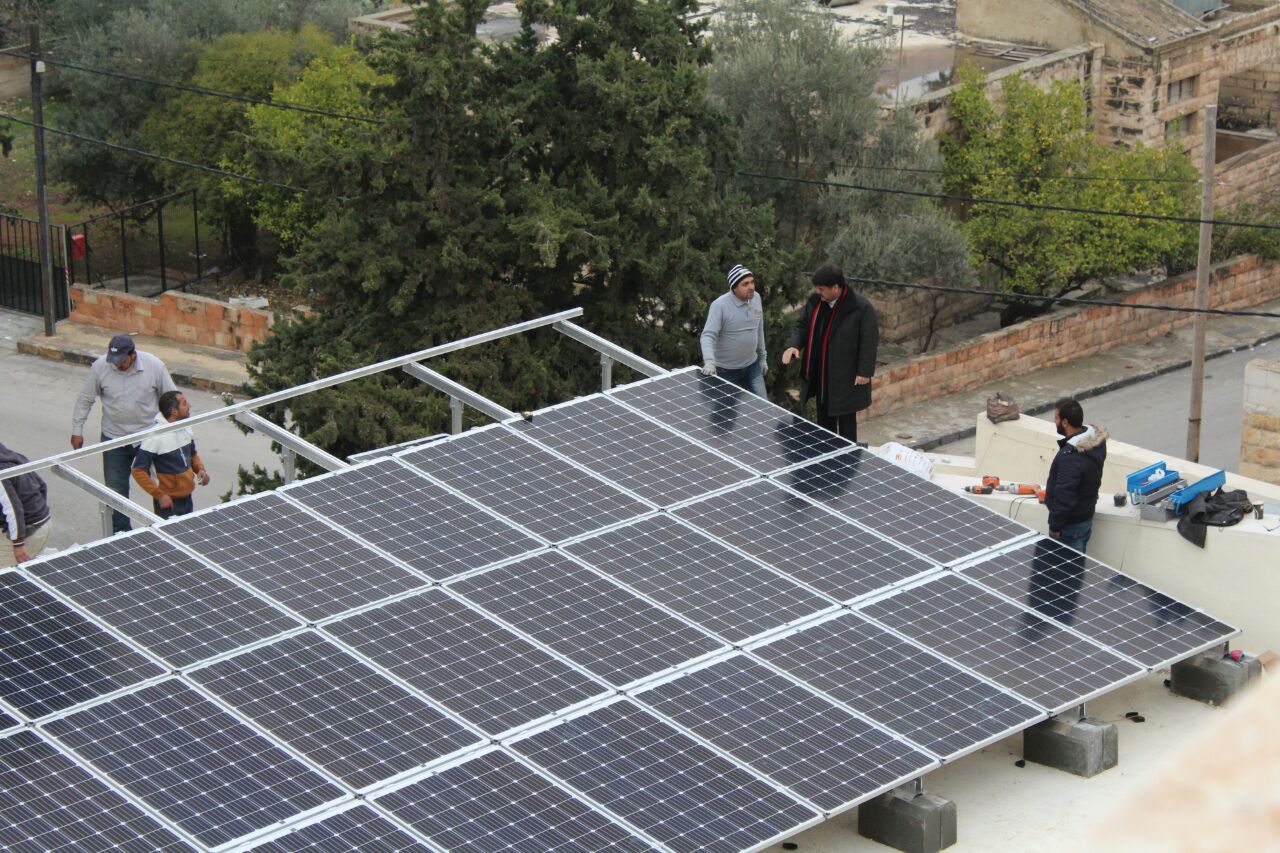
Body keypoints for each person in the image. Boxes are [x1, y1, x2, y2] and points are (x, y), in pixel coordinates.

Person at [71, 334, 176, 534]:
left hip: (149, 437)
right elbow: (85, 399)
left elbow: (171, 399)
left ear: (133, 355)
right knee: (115, 490)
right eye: (114, 361)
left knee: (164, 484)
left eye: (122, 361)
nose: (117, 365)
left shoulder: (154, 366)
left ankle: (166, 528)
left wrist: (173, 434)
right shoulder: (100, 367)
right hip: (114, 438)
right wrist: (77, 430)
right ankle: (121, 534)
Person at [781, 264, 879, 441]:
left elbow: (869, 341)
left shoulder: (859, 307)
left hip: (847, 378)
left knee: (847, 425)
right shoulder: (815, 303)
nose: (819, 293)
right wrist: (793, 345)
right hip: (822, 377)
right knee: (825, 426)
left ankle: (847, 463)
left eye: (822, 289)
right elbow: (802, 326)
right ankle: (827, 460)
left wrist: (864, 371)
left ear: (836, 287)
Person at [1044, 397, 1108, 554]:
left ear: (1065, 422)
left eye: (1056, 418)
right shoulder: (1094, 441)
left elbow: (1064, 495)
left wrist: (1055, 527)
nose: (1054, 421)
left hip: (1070, 527)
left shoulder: (1071, 457)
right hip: (1084, 519)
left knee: (1067, 572)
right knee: (1074, 570)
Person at [132, 391, 209, 520]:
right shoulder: (155, 437)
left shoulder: (185, 427)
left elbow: (193, 454)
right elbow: (138, 470)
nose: (189, 405)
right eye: (185, 404)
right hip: (168, 505)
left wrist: (200, 470)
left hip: (187, 499)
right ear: (174, 411)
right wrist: (160, 496)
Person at [699, 264, 768, 397]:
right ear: (734, 288)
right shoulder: (720, 305)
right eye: (745, 284)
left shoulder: (756, 298)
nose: (751, 287)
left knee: (763, 408)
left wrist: (762, 358)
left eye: (752, 282)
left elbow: (759, 329)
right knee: (726, 413)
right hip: (725, 371)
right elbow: (708, 336)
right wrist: (709, 362)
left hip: (751, 367)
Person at [0, 443, 52, 566]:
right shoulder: (11, 456)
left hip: (28, 530)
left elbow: (13, 509)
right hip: (41, 521)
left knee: (5, 576)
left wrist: (18, 543)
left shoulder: (2, 473)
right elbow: (41, 485)